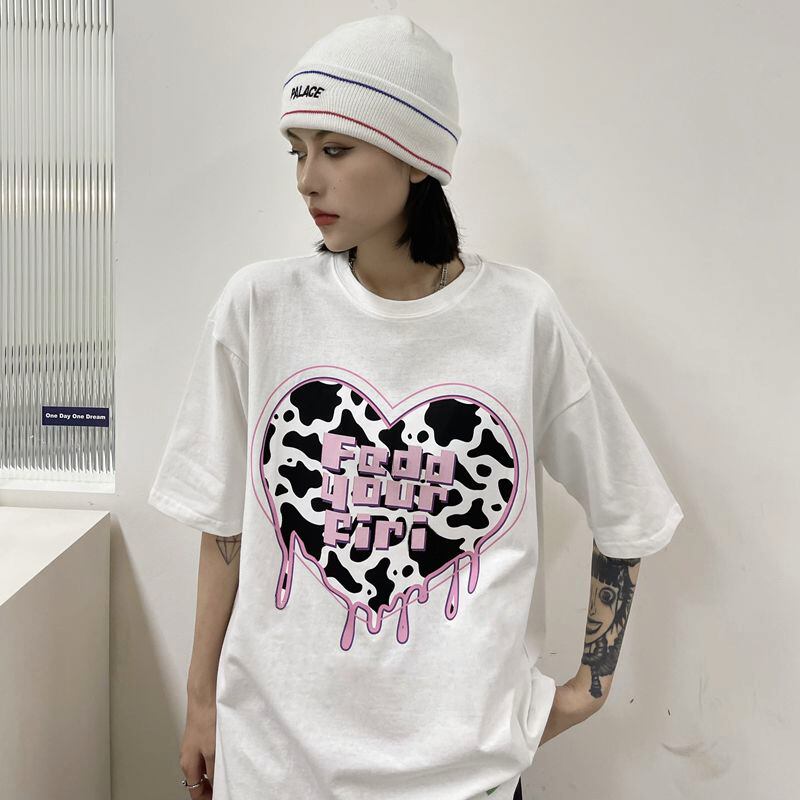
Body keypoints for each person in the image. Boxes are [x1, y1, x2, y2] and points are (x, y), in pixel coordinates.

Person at [147, 14, 685, 800]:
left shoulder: (520, 318)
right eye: (297, 150)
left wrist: (587, 690)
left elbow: (628, 508)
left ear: (414, 158)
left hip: (461, 779)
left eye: (335, 149)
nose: (307, 180)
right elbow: (223, 526)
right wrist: (201, 705)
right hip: (273, 767)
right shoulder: (260, 308)